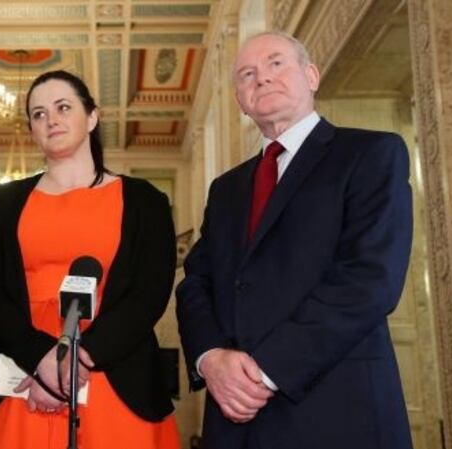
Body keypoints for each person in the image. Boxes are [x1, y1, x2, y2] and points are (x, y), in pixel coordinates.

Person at [176, 31, 413, 449]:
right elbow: (196, 282)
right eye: (247, 74)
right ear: (240, 100)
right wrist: (210, 359)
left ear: (312, 76)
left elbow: (369, 278)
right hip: (235, 418)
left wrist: (264, 371)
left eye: (275, 63)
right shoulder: (225, 188)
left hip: (338, 408)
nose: (261, 78)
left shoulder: (370, 153)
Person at [0, 70, 180, 449]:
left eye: (63, 107)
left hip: (112, 369)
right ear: (32, 129)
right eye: (39, 114)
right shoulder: (1, 203)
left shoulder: (145, 201)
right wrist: (41, 358)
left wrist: (78, 360)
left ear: (92, 117)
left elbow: (150, 292)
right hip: (19, 369)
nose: (51, 119)